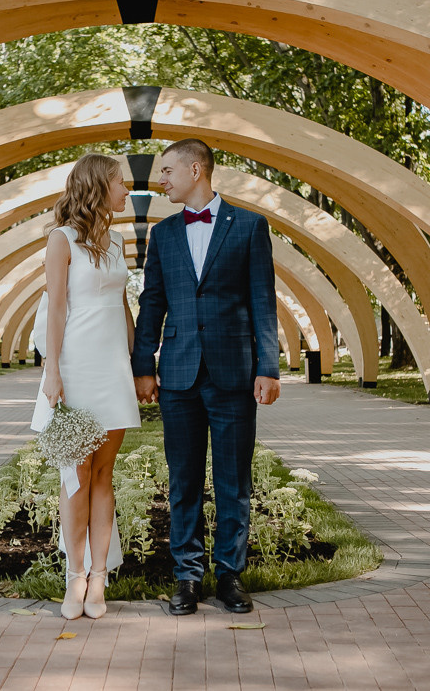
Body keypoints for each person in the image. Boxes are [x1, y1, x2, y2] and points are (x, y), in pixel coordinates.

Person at [132, 139, 281, 616]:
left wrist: (268, 367)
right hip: (177, 373)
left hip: (234, 372)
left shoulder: (250, 226)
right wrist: (142, 366)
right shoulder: (164, 234)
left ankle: (230, 576)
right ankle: (187, 576)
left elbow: (262, 300)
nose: (161, 179)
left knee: (234, 480)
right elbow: (152, 302)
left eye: (168, 170)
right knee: (184, 480)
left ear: (196, 170)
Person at [31, 153, 140, 621]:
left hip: (113, 369)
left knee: (103, 474)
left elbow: (124, 305)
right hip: (75, 366)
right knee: (76, 475)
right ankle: (74, 576)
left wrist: (139, 364)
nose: (127, 190)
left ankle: (99, 578)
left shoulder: (117, 241)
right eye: (120, 182)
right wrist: (53, 370)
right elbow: (56, 308)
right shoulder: (61, 240)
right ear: (98, 186)